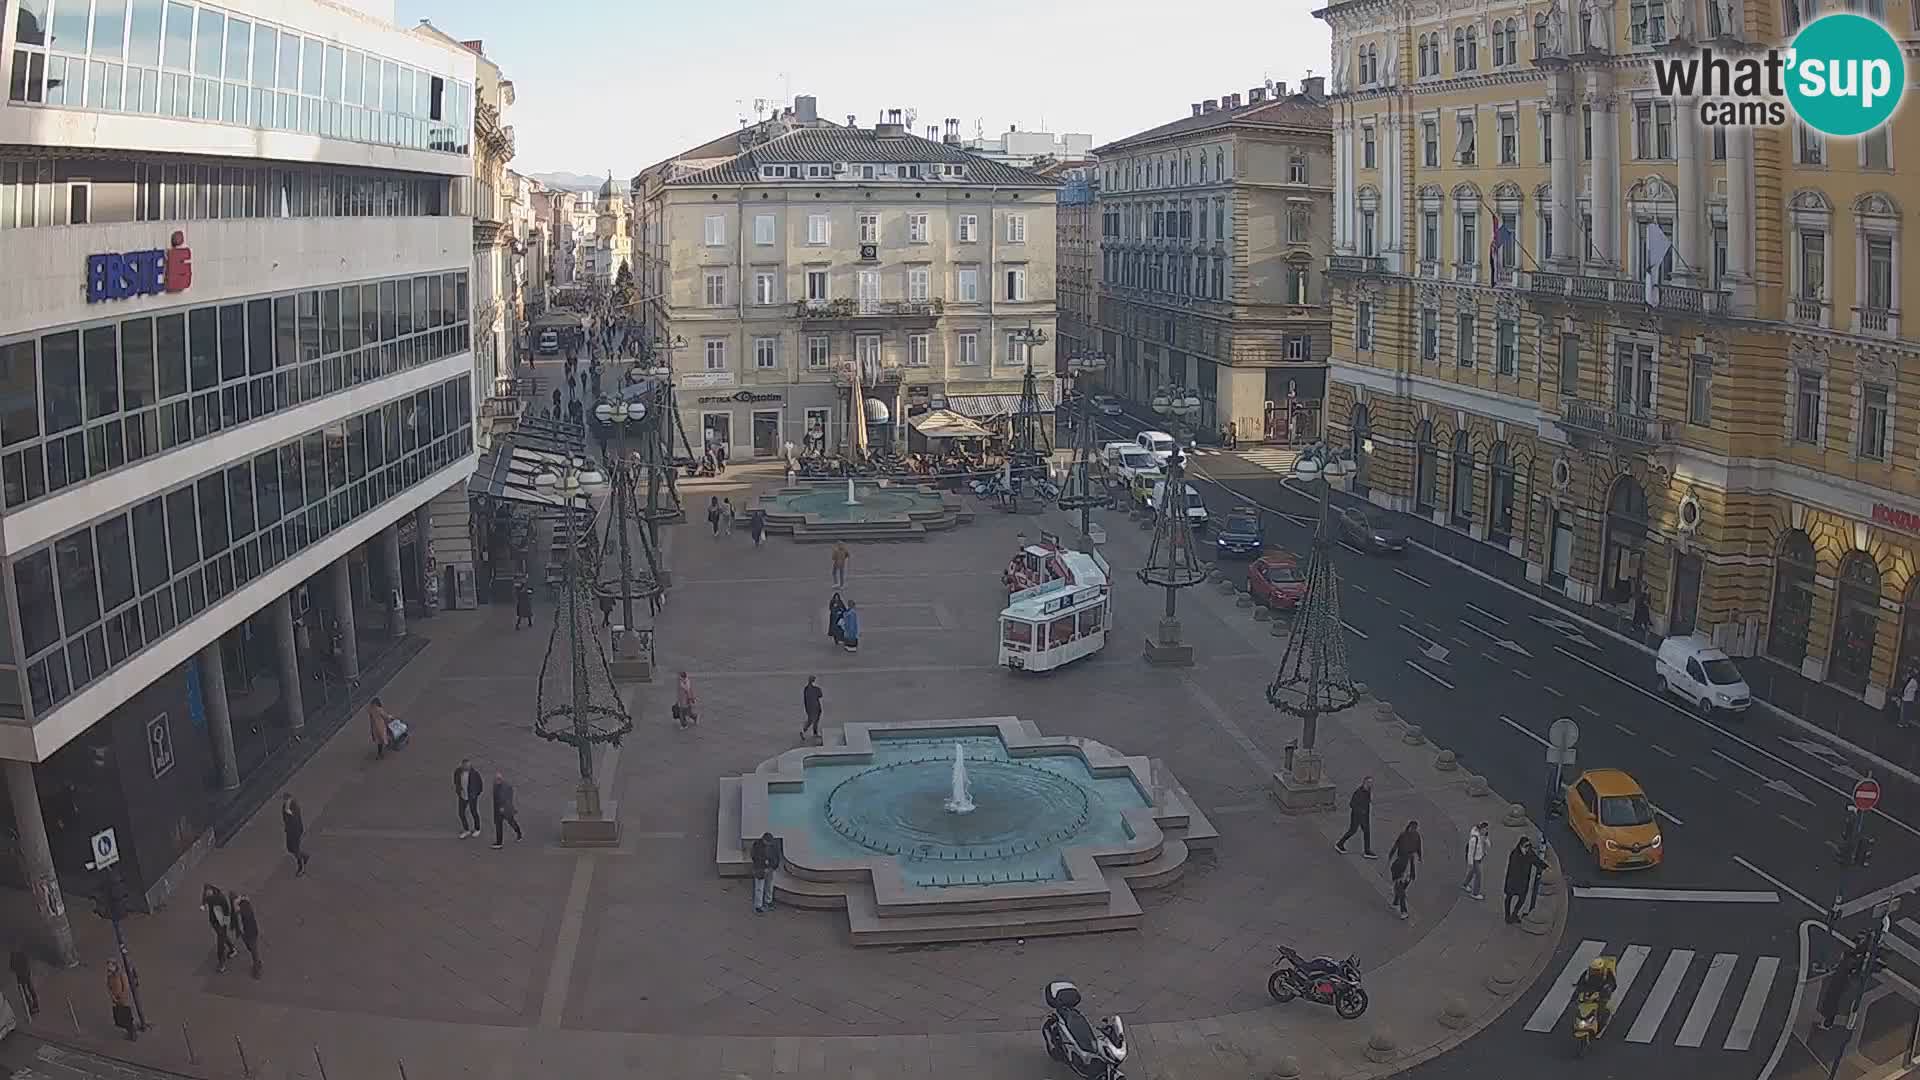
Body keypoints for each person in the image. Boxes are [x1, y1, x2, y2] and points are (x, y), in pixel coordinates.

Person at [1503, 836, 1546, 924]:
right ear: (1521, 845)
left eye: (1529, 846)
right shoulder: (1515, 854)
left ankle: (1514, 914)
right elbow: (1513, 869)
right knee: (1509, 897)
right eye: (1526, 846)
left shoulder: (1529, 853)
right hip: (1513, 881)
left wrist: (1545, 867)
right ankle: (1507, 916)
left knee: (1522, 898)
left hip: (1523, 881)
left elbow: (1536, 860)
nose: (1528, 848)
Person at [1574, 955, 1618, 1036]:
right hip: (1589, 995)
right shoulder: (1586, 974)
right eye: (1593, 970)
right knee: (1579, 1007)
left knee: (1601, 1009)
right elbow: (1581, 983)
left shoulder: (1607, 974)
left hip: (1601, 995)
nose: (1594, 972)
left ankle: (1601, 1022)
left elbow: (1612, 984)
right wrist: (1578, 991)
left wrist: (1606, 990)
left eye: (1596, 970)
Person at [1333, 776, 1376, 857]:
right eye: (1368, 782)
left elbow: (1367, 802)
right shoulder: (1358, 792)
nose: (1370, 784)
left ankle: (1367, 851)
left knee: (1367, 832)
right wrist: (1361, 811)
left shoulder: (1368, 791)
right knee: (1352, 831)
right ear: (1364, 782)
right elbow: (1352, 804)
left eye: (1371, 782)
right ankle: (1339, 844)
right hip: (1357, 816)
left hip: (1365, 816)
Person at [1388, 821, 1421, 920]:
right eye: (1412, 828)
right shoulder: (1404, 836)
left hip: (1407, 864)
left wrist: (1419, 856)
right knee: (1401, 888)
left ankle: (1396, 900)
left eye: (1414, 828)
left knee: (1402, 887)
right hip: (1402, 864)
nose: (1413, 830)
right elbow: (1396, 845)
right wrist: (1391, 855)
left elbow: (1418, 847)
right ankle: (1403, 911)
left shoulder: (1415, 836)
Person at [203, 884, 235, 973]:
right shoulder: (208, 896)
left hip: (221, 923)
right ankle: (232, 949)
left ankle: (222, 964)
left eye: (208, 893)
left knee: (220, 944)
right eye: (206, 893)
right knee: (223, 936)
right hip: (214, 922)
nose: (207, 895)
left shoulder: (221, 898)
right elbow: (204, 898)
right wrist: (203, 904)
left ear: (212, 891)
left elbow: (226, 910)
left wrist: (225, 924)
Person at [749, 831, 783, 913]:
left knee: (769, 886)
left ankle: (768, 901)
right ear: (763, 840)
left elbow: (777, 856)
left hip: (770, 869)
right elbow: (755, 857)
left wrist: (773, 866)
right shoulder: (757, 845)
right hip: (760, 869)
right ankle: (758, 906)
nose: (768, 844)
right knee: (759, 888)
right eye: (767, 842)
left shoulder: (773, 845)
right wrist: (764, 866)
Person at [106, 960, 137, 1041]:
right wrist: (113, 997)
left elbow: (126, 987)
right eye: (108, 966)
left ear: (115, 966)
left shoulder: (121, 975)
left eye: (111, 966)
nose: (109, 967)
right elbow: (109, 987)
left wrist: (122, 998)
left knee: (126, 1018)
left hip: (123, 1000)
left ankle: (132, 1034)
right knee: (119, 1019)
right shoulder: (109, 976)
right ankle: (129, 1031)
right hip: (115, 1000)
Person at [491, 771, 523, 848]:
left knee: (511, 822)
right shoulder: (495, 786)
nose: (497, 781)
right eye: (496, 779)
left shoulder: (507, 786)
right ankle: (499, 842)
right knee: (498, 825)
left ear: (501, 779)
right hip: (498, 809)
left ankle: (519, 833)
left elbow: (509, 798)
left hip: (506, 809)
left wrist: (504, 807)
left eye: (498, 779)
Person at [454, 758, 484, 839]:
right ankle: (466, 830)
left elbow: (480, 785)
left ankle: (477, 829)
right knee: (461, 813)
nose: (467, 767)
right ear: (462, 765)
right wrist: (458, 790)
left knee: (474, 812)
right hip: (462, 796)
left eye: (468, 766)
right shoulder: (458, 772)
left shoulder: (475, 774)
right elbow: (456, 781)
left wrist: (475, 794)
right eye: (465, 766)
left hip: (472, 797)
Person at [281, 793, 309, 876]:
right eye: (285, 800)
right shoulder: (285, 806)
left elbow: (294, 818)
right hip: (289, 832)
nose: (286, 801)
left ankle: (301, 867)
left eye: (287, 800)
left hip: (295, 831)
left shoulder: (294, 807)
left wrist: (288, 811)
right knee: (289, 848)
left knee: (295, 849)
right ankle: (304, 856)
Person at [234, 894, 262, 979]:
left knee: (253, 951)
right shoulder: (246, 905)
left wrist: (236, 906)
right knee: (252, 949)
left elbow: (240, 923)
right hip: (251, 931)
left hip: (249, 933)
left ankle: (257, 969)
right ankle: (257, 962)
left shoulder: (241, 910)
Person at [1460, 821, 1490, 900]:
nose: (1487, 831)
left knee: (1471, 872)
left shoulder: (1482, 836)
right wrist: (1470, 863)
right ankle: (1475, 893)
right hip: (1475, 860)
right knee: (1478, 876)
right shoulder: (1474, 839)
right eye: (1486, 829)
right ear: (1481, 829)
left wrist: (1485, 839)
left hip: (1479, 858)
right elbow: (1470, 852)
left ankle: (1465, 885)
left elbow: (1489, 845)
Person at [10, 943, 38, 1016]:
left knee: (26, 992)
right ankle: (35, 1006)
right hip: (26, 974)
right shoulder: (22, 952)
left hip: (21, 976)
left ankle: (31, 1008)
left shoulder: (14, 954)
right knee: (30, 989)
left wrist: (17, 969)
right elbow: (27, 963)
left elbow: (12, 967)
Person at [801, 676, 824, 742]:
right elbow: (820, 695)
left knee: (811, 720)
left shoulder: (806, 689)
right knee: (814, 720)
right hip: (816, 707)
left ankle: (804, 731)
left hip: (809, 707)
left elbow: (805, 699)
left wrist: (806, 708)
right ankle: (813, 732)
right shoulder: (816, 689)